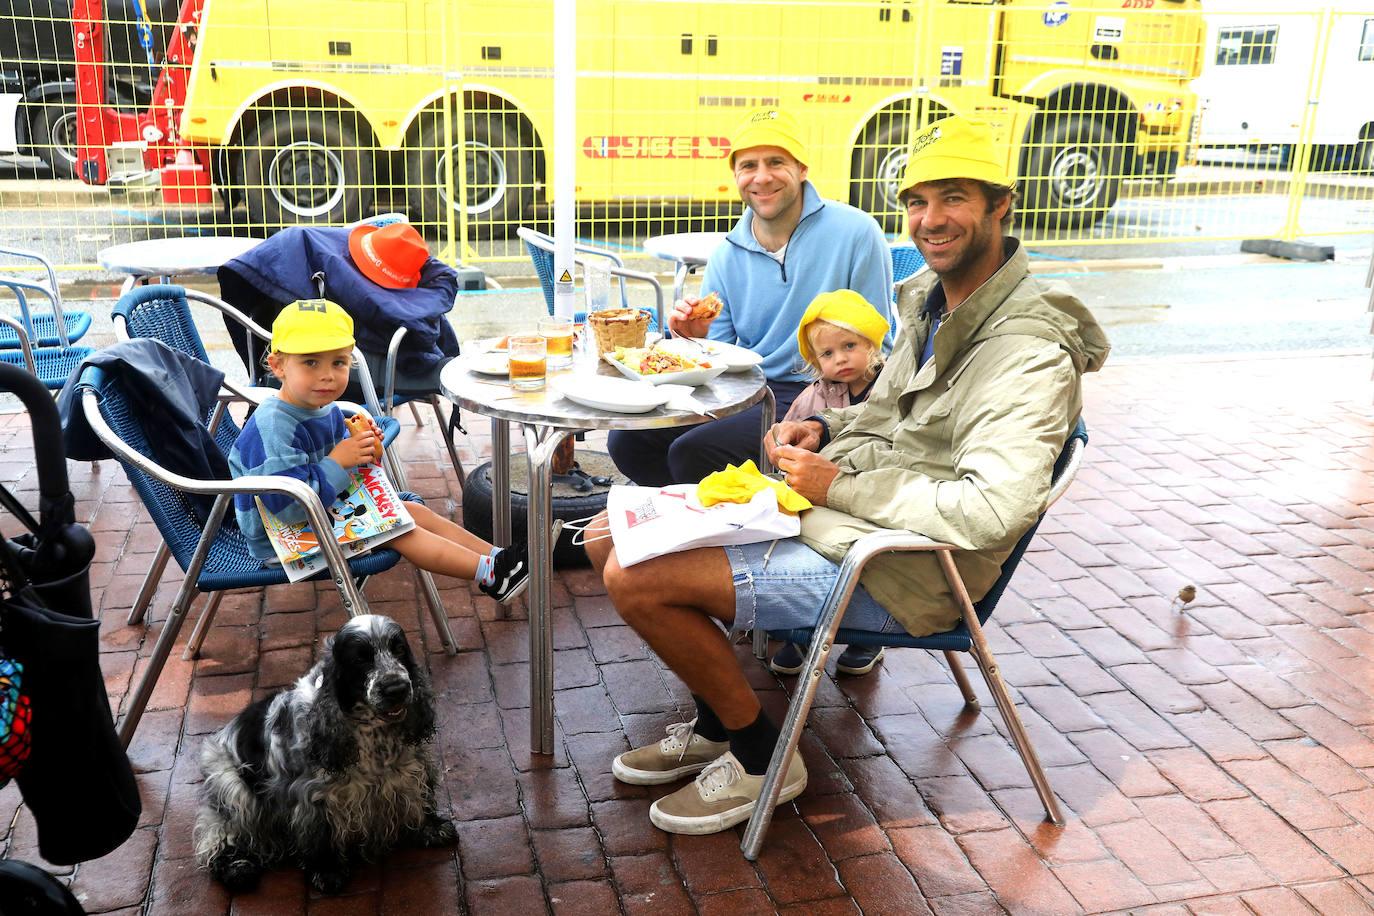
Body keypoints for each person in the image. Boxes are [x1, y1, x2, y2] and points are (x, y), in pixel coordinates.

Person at [583, 115, 1110, 836]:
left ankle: (765, 755)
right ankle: (716, 717)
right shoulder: (936, 298)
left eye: (952, 198)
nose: (930, 219)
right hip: (850, 520)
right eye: (918, 201)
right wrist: (826, 426)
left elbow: (991, 511)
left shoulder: (1025, 350)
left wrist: (837, 486)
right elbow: (888, 408)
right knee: (602, 536)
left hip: (908, 570)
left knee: (635, 575)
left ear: (1000, 205)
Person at [607, 107, 893, 487]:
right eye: (748, 166)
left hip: (826, 392)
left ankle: (733, 521)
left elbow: (880, 345)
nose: (762, 177)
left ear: (802, 169)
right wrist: (694, 337)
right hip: (750, 390)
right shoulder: (727, 252)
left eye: (776, 162)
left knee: (691, 453)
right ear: (736, 176)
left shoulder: (857, 232)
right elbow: (719, 361)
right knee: (628, 441)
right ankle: (698, 515)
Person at [228, 299, 529, 604]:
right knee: (397, 529)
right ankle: (491, 575)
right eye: (310, 362)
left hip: (321, 513)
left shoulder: (325, 408)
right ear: (278, 366)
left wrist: (364, 452)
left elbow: (342, 469)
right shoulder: (274, 427)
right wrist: (339, 460)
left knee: (413, 511)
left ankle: (500, 558)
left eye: (338, 362)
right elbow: (287, 506)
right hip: (282, 538)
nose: (327, 375)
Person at [768, 288, 889, 678]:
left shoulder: (891, 387)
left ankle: (868, 633)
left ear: (871, 342)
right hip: (818, 497)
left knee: (869, 556)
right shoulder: (816, 394)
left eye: (850, 345)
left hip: (871, 490)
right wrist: (782, 442)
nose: (840, 359)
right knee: (803, 544)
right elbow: (790, 430)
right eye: (828, 354)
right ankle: (803, 628)